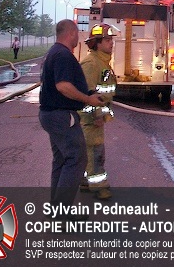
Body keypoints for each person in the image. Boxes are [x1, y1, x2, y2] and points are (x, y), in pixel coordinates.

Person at [39, 19, 103, 212]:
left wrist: (88, 93)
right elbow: (63, 86)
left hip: (52, 115)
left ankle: (57, 210)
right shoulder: (63, 55)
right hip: (61, 116)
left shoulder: (54, 52)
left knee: (61, 160)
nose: (78, 38)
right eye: (77, 33)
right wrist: (87, 99)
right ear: (72, 33)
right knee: (77, 158)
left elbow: (61, 85)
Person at [78, 24, 117, 200]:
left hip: (95, 117)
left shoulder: (102, 61)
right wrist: (97, 114)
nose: (111, 43)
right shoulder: (91, 63)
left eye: (111, 40)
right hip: (90, 118)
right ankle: (100, 187)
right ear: (97, 43)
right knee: (96, 153)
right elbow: (88, 93)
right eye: (107, 40)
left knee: (90, 151)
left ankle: (85, 181)